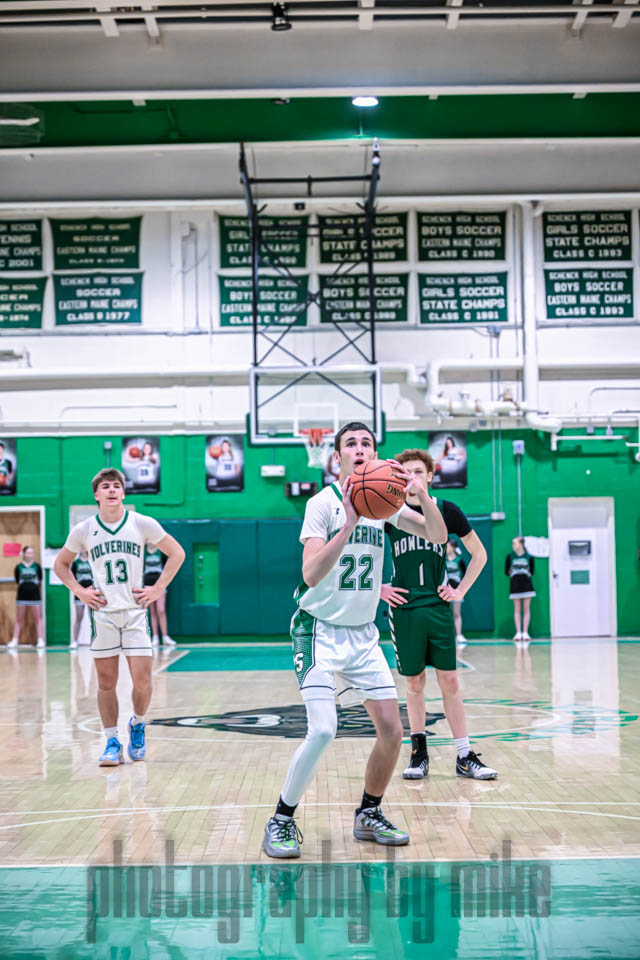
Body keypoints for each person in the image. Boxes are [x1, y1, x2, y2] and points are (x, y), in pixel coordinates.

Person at [262, 422, 448, 859]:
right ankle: (281, 819)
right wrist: (348, 524)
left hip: (363, 635)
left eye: (367, 443)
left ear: (376, 456)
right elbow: (310, 574)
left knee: (393, 732)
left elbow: (438, 536)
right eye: (351, 443)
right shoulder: (322, 504)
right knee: (324, 729)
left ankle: (369, 812)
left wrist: (421, 495)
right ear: (337, 457)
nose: (360, 448)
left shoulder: (386, 502)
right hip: (318, 630)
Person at [53, 468, 185, 767]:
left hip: (135, 614)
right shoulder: (84, 529)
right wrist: (79, 591)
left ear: (123, 493)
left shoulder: (141, 523)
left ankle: (137, 723)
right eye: (106, 486)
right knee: (106, 683)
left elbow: (177, 553)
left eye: (116, 486)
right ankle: (111, 741)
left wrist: (158, 588)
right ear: (96, 495)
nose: (111, 490)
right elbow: (61, 565)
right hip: (104, 615)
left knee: (143, 682)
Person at [381, 448, 497, 782]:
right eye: (406, 473)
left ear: (430, 476)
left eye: (418, 472)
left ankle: (464, 755)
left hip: (437, 605)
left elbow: (479, 554)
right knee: (414, 682)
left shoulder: (447, 510)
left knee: (450, 680)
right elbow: (365, 553)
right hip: (404, 608)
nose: (412, 477)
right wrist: (378, 589)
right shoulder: (389, 511)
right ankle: (419, 754)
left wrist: (460, 590)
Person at [9, 545, 44, 648]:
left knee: (38, 618)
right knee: (19, 619)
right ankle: (14, 640)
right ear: (24, 554)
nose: (30, 555)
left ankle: (40, 640)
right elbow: (17, 580)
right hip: (22, 595)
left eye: (32, 553)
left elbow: (40, 579)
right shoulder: (18, 567)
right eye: (28, 553)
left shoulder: (37, 566)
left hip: (35, 595)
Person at [143, 544, 176, 647]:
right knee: (152, 612)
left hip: (159, 585)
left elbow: (168, 566)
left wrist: (162, 583)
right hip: (148, 584)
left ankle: (165, 636)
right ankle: (155, 637)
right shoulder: (143, 552)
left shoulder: (161, 551)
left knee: (161, 610)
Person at [506, 536, 535, 643]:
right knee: (517, 609)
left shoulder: (529, 556)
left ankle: (525, 632)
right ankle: (518, 632)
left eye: (515, 543)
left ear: (521, 544)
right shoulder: (510, 556)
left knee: (526, 609)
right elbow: (506, 571)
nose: (513, 545)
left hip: (527, 585)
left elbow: (532, 571)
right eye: (513, 543)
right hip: (515, 586)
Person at [70, 546, 94, 649]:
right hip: (80, 592)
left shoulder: (92, 561)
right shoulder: (75, 563)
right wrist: (78, 590)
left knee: (93, 618)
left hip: (91, 592)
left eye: (85, 547)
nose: (83, 548)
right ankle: (75, 641)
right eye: (82, 547)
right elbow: (72, 578)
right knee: (79, 617)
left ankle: (94, 641)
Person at [445, 539, 468, 645]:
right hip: (445, 590)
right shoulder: (443, 560)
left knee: (456, 613)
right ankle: (447, 635)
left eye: (448, 546)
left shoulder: (459, 560)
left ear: (453, 547)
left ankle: (459, 635)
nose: (446, 548)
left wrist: (461, 589)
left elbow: (465, 575)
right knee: (445, 613)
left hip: (456, 589)